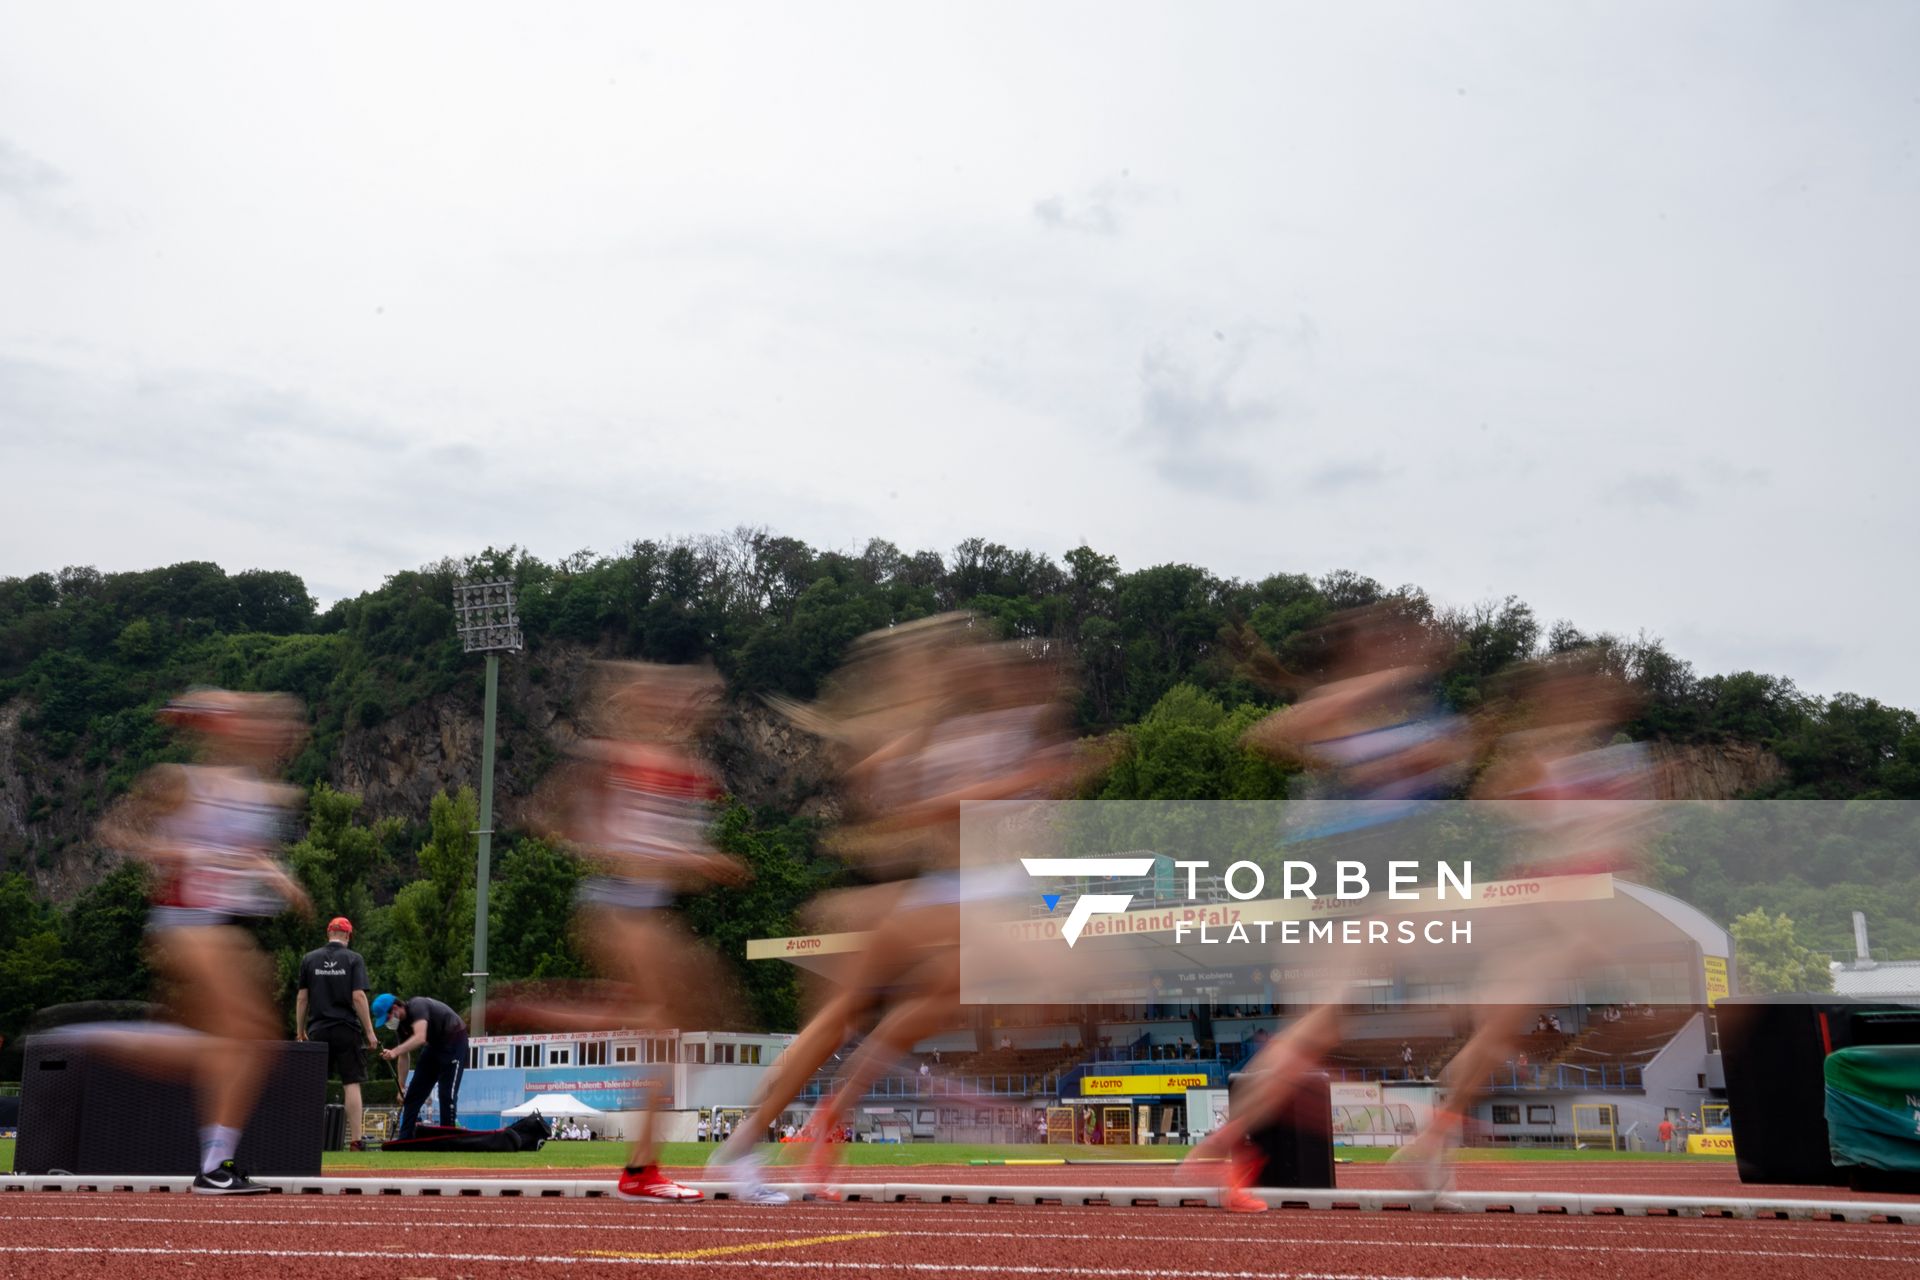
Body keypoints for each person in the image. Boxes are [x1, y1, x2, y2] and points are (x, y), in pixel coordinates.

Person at [93, 689, 311, 1194]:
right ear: (240, 728)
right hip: (182, 922)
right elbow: (114, 829)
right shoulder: (182, 780)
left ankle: (216, 1160)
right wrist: (176, 849)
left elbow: (246, 852)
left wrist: (278, 876)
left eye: (286, 732)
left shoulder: (260, 793)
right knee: (244, 1030)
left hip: (221, 924)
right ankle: (213, 1166)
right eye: (269, 727)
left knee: (248, 1043)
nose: (279, 738)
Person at [295, 916, 378, 1151]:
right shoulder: (353, 959)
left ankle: (308, 1139)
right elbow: (358, 996)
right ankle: (356, 1141)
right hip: (346, 1028)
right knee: (351, 1082)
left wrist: (300, 1030)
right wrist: (370, 1032)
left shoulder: (309, 959)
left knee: (314, 1083)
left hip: (318, 1028)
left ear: (328, 933)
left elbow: (302, 997)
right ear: (348, 936)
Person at [373, 993, 468, 1139]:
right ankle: (405, 1139)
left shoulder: (418, 1006)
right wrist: (401, 1087)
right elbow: (404, 1056)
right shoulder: (400, 1027)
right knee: (413, 1094)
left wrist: (394, 1051)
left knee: (446, 1094)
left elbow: (420, 1037)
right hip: (434, 1045)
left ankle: (447, 1137)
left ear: (395, 1008)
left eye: (387, 1018)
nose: (387, 1023)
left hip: (454, 1041)